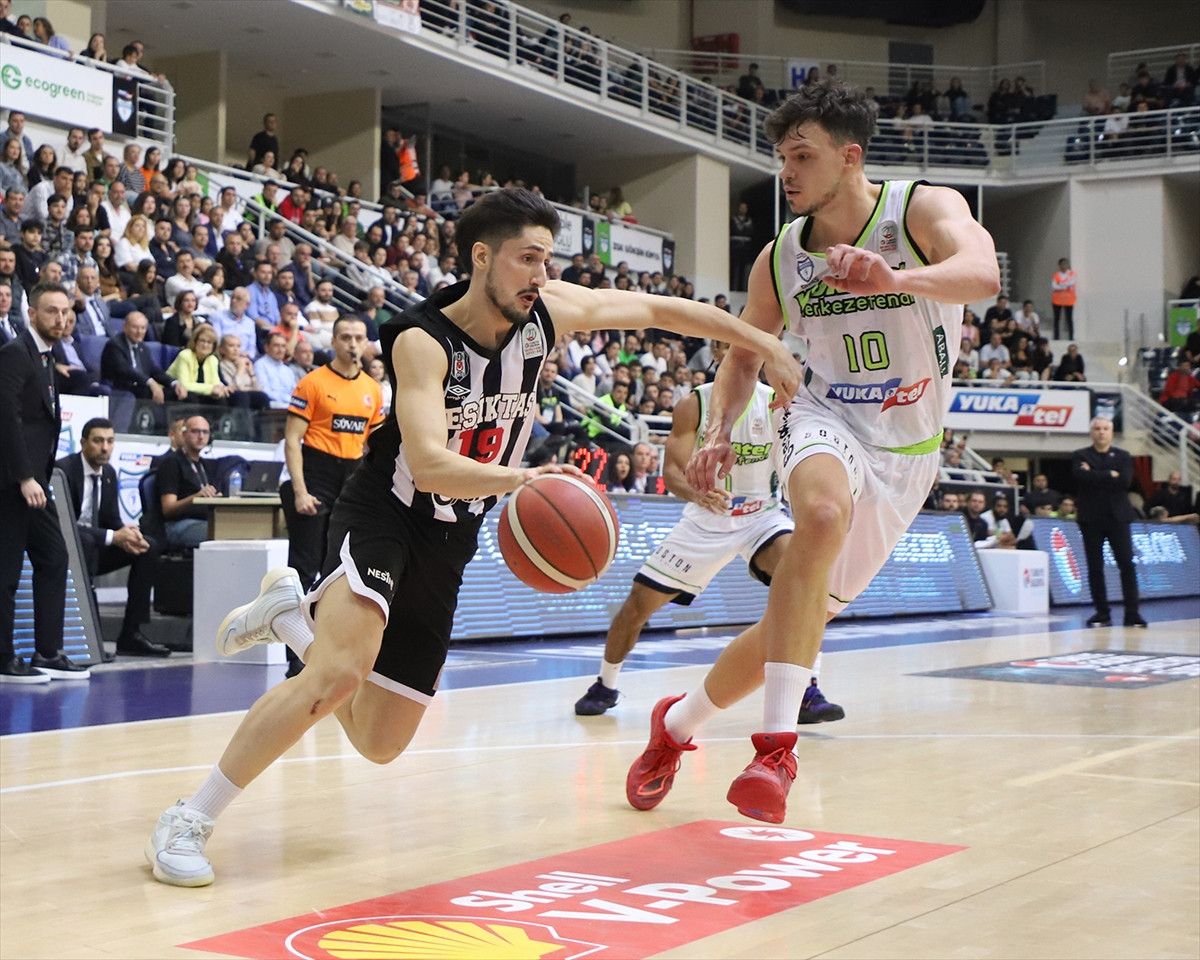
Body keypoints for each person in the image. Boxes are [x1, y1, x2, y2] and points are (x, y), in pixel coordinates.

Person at [144, 186, 800, 887]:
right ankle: (188, 818)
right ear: (482, 256)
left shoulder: (550, 312)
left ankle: (289, 620)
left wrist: (759, 339)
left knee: (379, 742)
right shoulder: (421, 340)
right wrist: (520, 482)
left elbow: (663, 311)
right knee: (340, 673)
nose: (541, 276)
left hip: (450, 541)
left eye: (548, 261)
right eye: (527, 259)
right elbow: (426, 461)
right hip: (385, 514)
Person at [626, 80, 999, 825]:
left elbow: (983, 274)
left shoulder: (920, 210)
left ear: (850, 157)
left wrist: (899, 278)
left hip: (910, 451)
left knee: (787, 628)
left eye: (802, 156)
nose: (786, 173)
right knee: (820, 514)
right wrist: (722, 438)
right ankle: (776, 747)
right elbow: (740, 358)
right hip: (824, 417)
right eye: (781, 157)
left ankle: (674, 727)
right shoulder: (781, 257)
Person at [575, 382, 843, 724]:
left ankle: (806, 689)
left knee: (808, 581)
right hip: (706, 520)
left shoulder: (777, 402)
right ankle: (605, 685)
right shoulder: (694, 404)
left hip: (762, 516)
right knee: (636, 606)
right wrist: (696, 493)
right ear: (718, 351)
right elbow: (671, 473)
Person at [279, 316, 383, 677]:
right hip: (316, 476)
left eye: (358, 338)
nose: (352, 344)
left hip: (351, 479)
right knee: (304, 567)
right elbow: (292, 440)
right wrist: (300, 491)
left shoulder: (373, 389)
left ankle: (329, 652)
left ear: (366, 343)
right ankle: (296, 659)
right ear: (334, 342)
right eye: (345, 337)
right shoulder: (312, 383)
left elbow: (374, 446)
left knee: (339, 573)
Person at [0, 282, 91, 682]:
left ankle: (49, 651)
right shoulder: (13, 355)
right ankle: (3, 659)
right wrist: (23, 476)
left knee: (54, 558)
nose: (60, 318)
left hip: (36, 482)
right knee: (5, 572)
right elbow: (7, 421)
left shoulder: (45, 358)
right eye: (51, 311)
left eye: (65, 311)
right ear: (32, 314)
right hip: (12, 483)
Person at [56, 419, 170, 657]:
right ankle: (90, 637)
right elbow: (64, 526)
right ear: (83, 443)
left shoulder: (108, 472)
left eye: (110, 441)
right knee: (85, 543)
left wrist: (129, 534)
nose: (105, 448)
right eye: (98, 441)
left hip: (96, 545)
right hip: (66, 547)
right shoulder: (64, 471)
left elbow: (112, 520)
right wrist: (112, 536)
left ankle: (132, 634)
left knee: (147, 546)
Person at [1072, 417, 1145, 628]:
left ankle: (1132, 614)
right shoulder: (1080, 455)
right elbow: (1080, 477)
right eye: (1097, 429)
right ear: (1091, 432)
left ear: (1111, 432)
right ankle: (1102, 613)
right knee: (1095, 567)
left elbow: (1124, 482)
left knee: (1127, 565)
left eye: (1105, 429)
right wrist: (1108, 475)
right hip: (1091, 518)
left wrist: (1094, 474)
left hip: (1118, 517)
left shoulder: (1123, 456)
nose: (1101, 432)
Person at [157, 414, 219, 550]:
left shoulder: (205, 465)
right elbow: (168, 509)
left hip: (203, 522)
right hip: (177, 525)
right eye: (195, 431)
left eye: (205, 432)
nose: (201, 436)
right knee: (222, 533)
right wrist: (196, 497)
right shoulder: (171, 463)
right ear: (184, 434)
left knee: (233, 529)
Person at [1051, 258, 1076, 339]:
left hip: (1069, 300)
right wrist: (1065, 285)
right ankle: (1056, 337)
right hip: (1057, 300)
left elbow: (1072, 283)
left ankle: (1071, 337)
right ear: (1059, 265)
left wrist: (1061, 284)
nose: (1064, 266)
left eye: (1066, 264)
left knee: (1069, 319)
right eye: (1062, 264)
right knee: (1056, 319)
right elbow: (1054, 286)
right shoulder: (1056, 275)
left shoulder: (1072, 274)